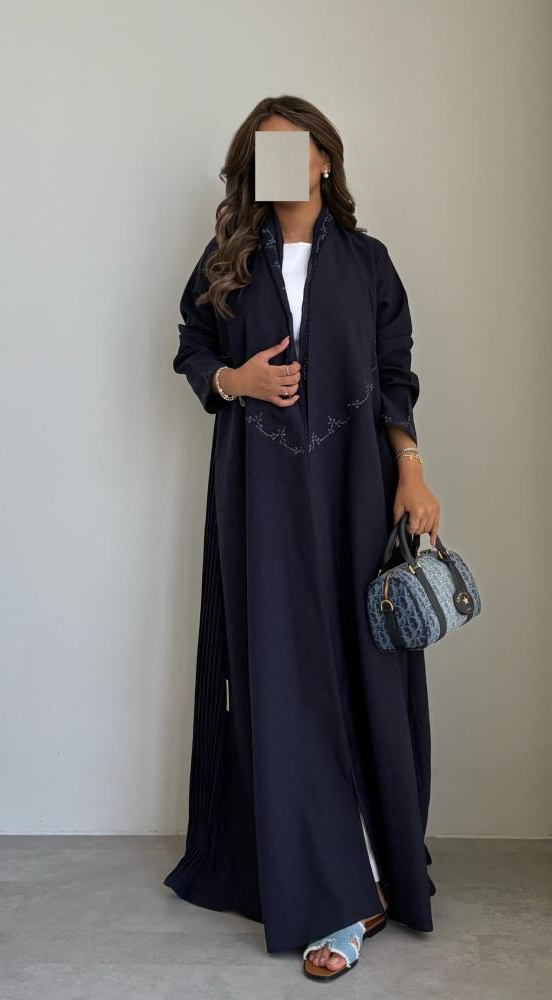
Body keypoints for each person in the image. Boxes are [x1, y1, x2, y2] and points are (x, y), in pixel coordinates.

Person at [166, 95, 440, 982]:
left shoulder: (367, 263)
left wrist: (411, 470)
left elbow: (394, 372)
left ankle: (374, 872)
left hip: (357, 492)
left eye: (295, 148)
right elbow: (191, 346)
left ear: (324, 158)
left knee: (362, 674)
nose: (279, 164)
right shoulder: (229, 263)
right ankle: (334, 896)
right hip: (260, 496)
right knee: (285, 681)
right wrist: (233, 379)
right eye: (263, 152)